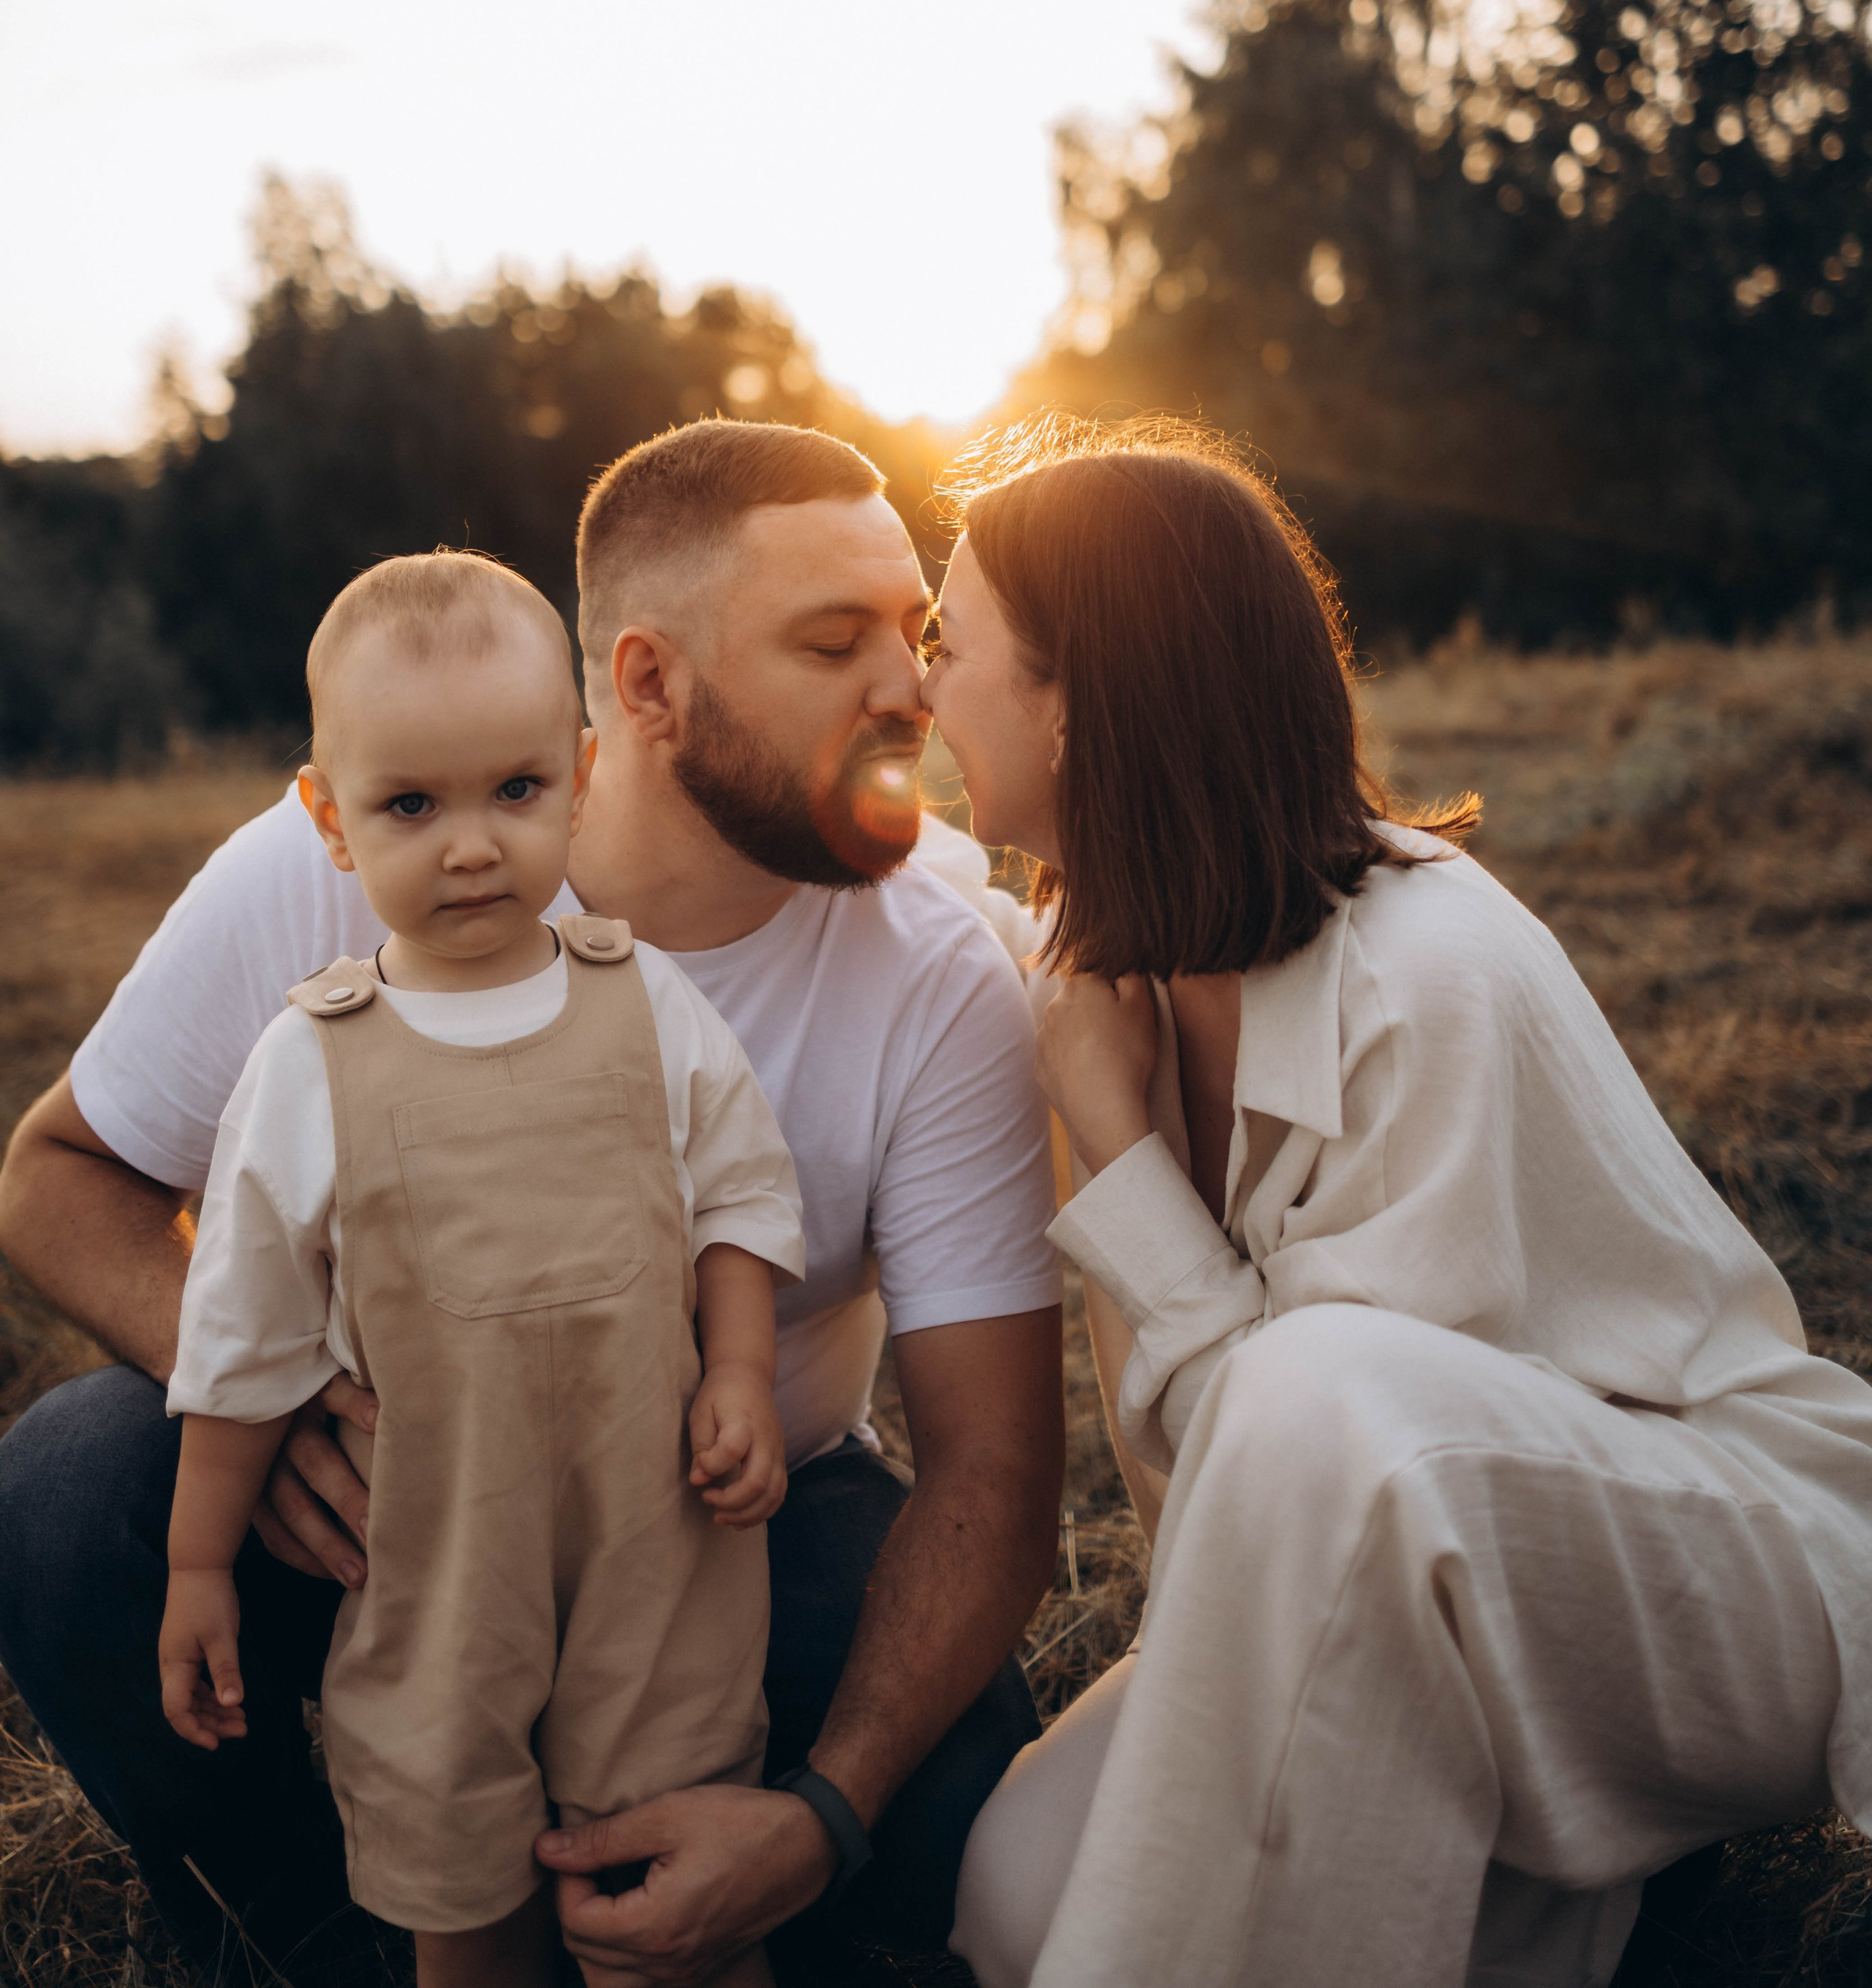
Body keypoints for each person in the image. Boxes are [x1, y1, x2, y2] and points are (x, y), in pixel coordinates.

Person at [0, 420, 1064, 1988]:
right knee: (73, 1497)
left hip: (738, 1505)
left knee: (962, 1804)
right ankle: (304, 1932)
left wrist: (822, 1819)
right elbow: (53, 1175)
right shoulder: (341, 867)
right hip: (391, 1493)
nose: (909, 690)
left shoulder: (935, 974)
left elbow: (992, 1471)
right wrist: (269, 1394)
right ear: (645, 688)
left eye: (909, 636)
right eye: (833, 643)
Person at [927, 425, 1872, 1988]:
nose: (923, 690)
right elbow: (1217, 1536)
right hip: (1419, 1608)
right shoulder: (1106, 977)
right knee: (1017, 1901)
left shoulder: (1422, 976)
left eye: (947, 645)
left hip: (1702, 1573)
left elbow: (1337, 1474)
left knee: (1315, 1386)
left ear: (1073, 703)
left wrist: (1115, 1140)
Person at [160, 548, 804, 1988]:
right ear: (329, 819)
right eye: (409, 805)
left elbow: (740, 1195)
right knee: (461, 1882)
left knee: (677, 1890)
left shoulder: (644, 1002)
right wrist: (201, 1559)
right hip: (435, 1559)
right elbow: (243, 1338)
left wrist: (745, 1370)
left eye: (513, 792)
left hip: (658, 1544)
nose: (469, 845)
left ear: (580, 776)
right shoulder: (312, 1060)